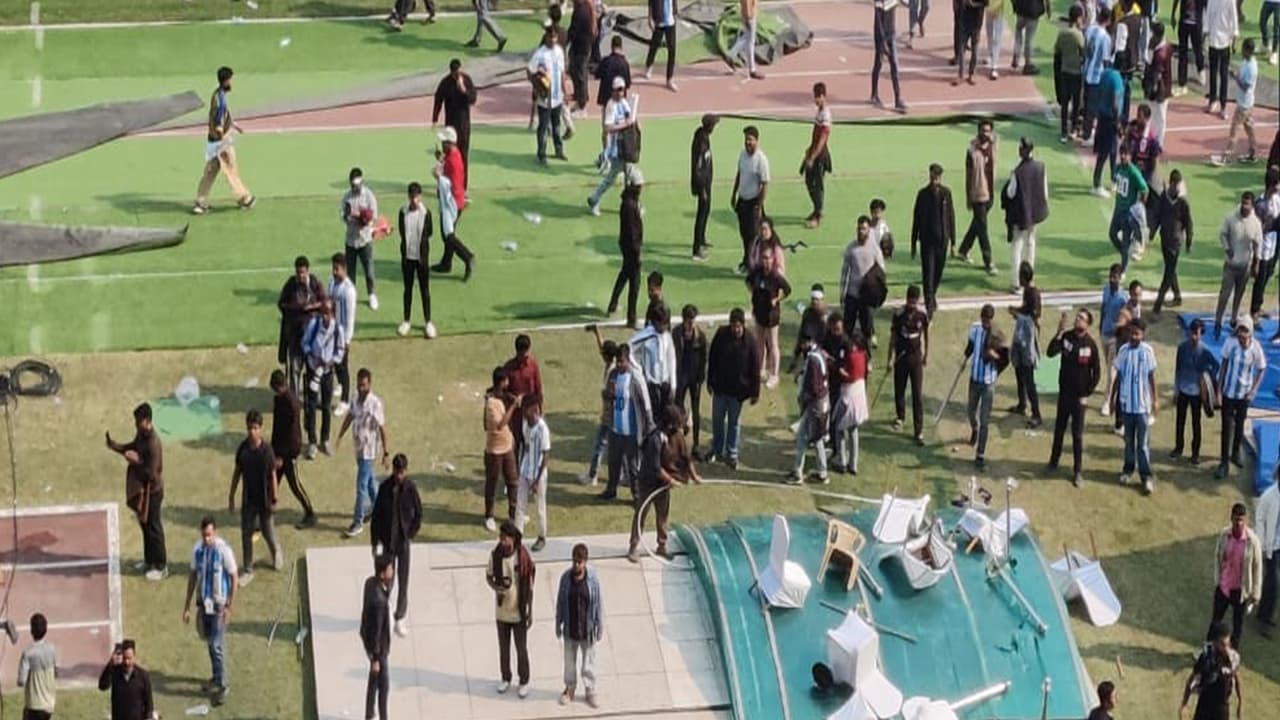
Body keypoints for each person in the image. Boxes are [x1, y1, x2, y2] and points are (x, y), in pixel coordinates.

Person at [629, 404, 699, 560]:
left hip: (662, 485)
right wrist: (671, 480)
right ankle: (633, 546)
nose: (680, 427)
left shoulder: (678, 436)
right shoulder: (655, 439)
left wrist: (694, 476)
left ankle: (662, 545)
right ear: (670, 423)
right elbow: (655, 468)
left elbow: (686, 458)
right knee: (641, 512)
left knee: (662, 515)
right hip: (648, 482)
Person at [106, 403, 167, 581]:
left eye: (138, 421)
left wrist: (135, 461)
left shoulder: (153, 443)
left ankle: (162, 565)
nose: (136, 424)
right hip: (144, 489)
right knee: (145, 526)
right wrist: (115, 446)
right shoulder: (142, 435)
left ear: (147, 421)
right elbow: (131, 446)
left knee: (154, 527)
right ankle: (149, 562)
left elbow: (151, 472)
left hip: (153, 491)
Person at [182, 516, 238, 707]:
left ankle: (223, 685)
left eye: (210, 535)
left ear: (215, 532)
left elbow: (234, 577)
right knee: (209, 642)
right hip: (203, 604)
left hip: (219, 606)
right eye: (204, 535)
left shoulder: (223, 551)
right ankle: (216, 677)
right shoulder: (197, 550)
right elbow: (192, 576)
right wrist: (187, 606)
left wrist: (230, 606)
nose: (207, 539)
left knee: (216, 645)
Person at [1046, 308, 1101, 484]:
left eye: (1082, 318)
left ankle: (1077, 471)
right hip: (1064, 394)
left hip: (1079, 399)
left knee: (1077, 435)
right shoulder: (1067, 337)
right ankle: (1053, 462)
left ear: (1088, 324)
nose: (1077, 320)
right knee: (1059, 429)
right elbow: (1050, 352)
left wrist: (1086, 393)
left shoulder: (1090, 345)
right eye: (1077, 317)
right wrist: (1058, 333)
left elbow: (1097, 372)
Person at [370, 453, 422, 638]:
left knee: (403, 581)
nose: (399, 475)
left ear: (406, 471)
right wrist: (375, 543)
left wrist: (410, 534)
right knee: (385, 581)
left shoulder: (411, 489)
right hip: (387, 543)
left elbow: (419, 515)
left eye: (402, 472)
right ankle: (384, 615)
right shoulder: (384, 488)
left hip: (403, 543)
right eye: (397, 472)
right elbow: (375, 518)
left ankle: (399, 617)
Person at [193, 66, 254, 215]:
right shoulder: (220, 100)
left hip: (213, 142)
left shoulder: (217, 95)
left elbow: (224, 115)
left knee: (210, 172)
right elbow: (219, 122)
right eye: (231, 79)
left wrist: (234, 125)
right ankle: (244, 198)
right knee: (231, 170)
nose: (232, 82)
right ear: (226, 81)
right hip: (221, 142)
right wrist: (223, 140)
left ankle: (200, 203)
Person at [229, 409, 281, 585]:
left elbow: (273, 475)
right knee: (246, 534)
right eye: (250, 428)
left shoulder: (267, 451)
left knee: (267, 531)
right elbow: (237, 473)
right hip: (248, 499)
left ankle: (276, 552)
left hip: (265, 499)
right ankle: (248, 568)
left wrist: (275, 498)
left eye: (256, 428)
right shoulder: (243, 449)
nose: (252, 431)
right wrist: (231, 495)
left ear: (261, 429)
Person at [337, 368, 391, 538]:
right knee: (368, 482)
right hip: (359, 448)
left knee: (361, 486)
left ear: (369, 384)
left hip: (369, 450)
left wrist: (386, 452)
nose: (361, 388)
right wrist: (340, 434)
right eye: (359, 384)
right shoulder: (355, 398)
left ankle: (358, 522)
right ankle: (380, 509)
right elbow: (350, 416)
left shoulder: (375, 404)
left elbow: (382, 429)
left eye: (364, 385)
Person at [707, 309, 762, 469]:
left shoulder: (750, 340)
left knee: (734, 423)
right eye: (733, 326)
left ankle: (731, 453)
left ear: (743, 325)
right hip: (720, 388)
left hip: (738, 392)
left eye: (738, 326)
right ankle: (717, 450)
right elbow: (713, 358)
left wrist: (755, 392)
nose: (736, 329)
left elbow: (755, 368)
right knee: (717, 421)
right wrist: (710, 381)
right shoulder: (721, 335)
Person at [487, 520, 535, 699]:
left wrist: (530, 610)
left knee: (521, 648)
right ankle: (505, 677)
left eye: (505, 538)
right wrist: (495, 587)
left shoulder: (522, 557)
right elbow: (489, 575)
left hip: (519, 610)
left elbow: (529, 586)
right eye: (501, 537)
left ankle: (524, 680)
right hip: (502, 610)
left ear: (513, 538)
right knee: (503, 647)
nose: (502, 541)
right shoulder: (495, 555)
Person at [1214, 317, 1266, 479]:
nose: (1242, 335)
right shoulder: (1231, 343)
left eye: (1245, 332)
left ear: (1250, 333)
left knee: (1239, 426)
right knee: (1226, 428)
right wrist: (1218, 390)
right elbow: (1223, 365)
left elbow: (1262, 368)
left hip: (1243, 395)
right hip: (1229, 393)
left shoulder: (1255, 348)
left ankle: (1235, 453)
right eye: (1240, 331)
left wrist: (1253, 391)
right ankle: (1223, 463)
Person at [1111, 317, 1158, 494]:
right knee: (1128, 442)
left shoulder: (1148, 351)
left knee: (1143, 444)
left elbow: (1152, 377)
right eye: (1131, 332)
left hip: (1143, 407)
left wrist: (1155, 400)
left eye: (1136, 333)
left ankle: (1146, 477)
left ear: (1142, 334)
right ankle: (1128, 470)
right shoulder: (1123, 350)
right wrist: (1112, 398)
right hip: (1127, 406)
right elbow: (1119, 376)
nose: (1133, 336)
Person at [1208, 503, 1264, 649]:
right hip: (1224, 586)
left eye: (1241, 520)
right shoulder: (1224, 535)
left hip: (1240, 590)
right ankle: (1208, 650)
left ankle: (1232, 657)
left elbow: (1257, 567)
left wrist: (1256, 593)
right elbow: (1217, 556)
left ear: (1245, 521)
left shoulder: (1252, 541)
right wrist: (1218, 580)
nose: (1238, 523)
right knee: (1216, 621)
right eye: (1236, 519)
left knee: (1237, 626)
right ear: (1231, 519)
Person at [601, 344, 653, 500]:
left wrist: (648, 426)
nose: (618, 364)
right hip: (615, 429)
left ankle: (636, 495)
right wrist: (608, 393)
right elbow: (606, 397)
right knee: (613, 462)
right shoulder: (613, 375)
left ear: (628, 359)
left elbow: (645, 402)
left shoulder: (635, 377)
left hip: (631, 430)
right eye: (617, 361)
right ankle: (611, 490)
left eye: (621, 361)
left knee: (632, 466)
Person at [557, 543, 603, 708]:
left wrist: (599, 626)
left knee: (588, 662)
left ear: (585, 562)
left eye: (580, 562)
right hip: (570, 629)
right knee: (569, 663)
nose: (577, 565)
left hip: (587, 630)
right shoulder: (565, 578)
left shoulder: (592, 580)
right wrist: (558, 623)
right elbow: (560, 602)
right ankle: (569, 688)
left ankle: (590, 689)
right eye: (575, 561)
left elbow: (598, 603)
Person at [1214, 192, 1263, 340]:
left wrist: (1256, 263)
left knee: (1239, 295)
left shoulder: (1255, 223)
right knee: (1224, 295)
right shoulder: (1231, 217)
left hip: (1244, 265)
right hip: (1230, 265)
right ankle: (1218, 321)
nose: (1244, 207)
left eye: (1248, 204)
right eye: (1243, 203)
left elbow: (1258, 244)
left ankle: (1234, 319)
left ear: (1252, 206)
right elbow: (1222, 234)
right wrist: (1227, 247)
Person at [270, 370, 316, 529]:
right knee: (271, 482)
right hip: (279, 452)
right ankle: (266, 516)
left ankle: (310, 513)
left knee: (295, 485)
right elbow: (277, 429)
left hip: (288, 453)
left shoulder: (291, 404)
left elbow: (293, 434)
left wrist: (283, 456)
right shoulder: (280, 400)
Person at [301, 298, 346, 458]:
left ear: (333, 313)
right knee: (311, 407)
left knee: (326, 407)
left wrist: (331, 361)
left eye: (328, 313)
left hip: (327, 373)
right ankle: (312, 442)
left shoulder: (337, 330)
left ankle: (324, 440)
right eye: (323, 313)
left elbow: (340, 351)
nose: (325, 317)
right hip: (313, 370)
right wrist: (312, 355)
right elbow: (304, 343)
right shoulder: (313, 325)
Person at [1003, 138, 1049, 292]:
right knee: (1031, 243)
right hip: (1035, 214)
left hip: (1021, 215)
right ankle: (1030, 279)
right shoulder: (1041, 167)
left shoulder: (1018, 171)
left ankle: (1016, 282)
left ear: (1024, 150)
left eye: (1020, 148)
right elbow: (1045, 193)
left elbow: (1010, 193)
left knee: (1017, 246)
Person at [430, 127, 474, 282]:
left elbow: (452, 184)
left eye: (444, 142)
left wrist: (438, 177)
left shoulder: (453, 160)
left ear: (449, 143)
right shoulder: (453, 155)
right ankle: (446, 262)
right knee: (448, 233)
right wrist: (440, 160)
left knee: (448, 235)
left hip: (451, 202)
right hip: (455, 200)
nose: (442, 145)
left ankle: (467, 257)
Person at [911, 163, 956, 315]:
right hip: (927, 241)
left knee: (938, 272)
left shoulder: (946, 194)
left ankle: (932, 295)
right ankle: (929, 304)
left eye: (936, 177)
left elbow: (951, 216)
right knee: (928, 273)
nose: (934, 180)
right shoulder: (922, 194)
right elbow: (916, 218)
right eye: (932, 177)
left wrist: (953, 241)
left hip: (942, 240)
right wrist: (913, 242)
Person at [964, 304, 1005, 471]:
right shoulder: (975, 328)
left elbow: (1004, 358)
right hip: (974, 379)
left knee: (985, 420)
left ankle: (980, 455)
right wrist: (964, 359)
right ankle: (974, 428)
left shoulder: (997, 335)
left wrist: (995, 355)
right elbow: (971, 346)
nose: (984, 323)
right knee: (970, 411)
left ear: (991, 319)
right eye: (983, 319)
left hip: (988, 382)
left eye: (987, 320)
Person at [276, 255, 324, 394]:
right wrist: (297, 308)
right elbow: (281, 304)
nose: (300, 275)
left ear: (307, 271)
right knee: (295, 371)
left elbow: (324, 302)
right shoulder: (291, 284)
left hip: (312, 338)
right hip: (295, 337)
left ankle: (313, 398)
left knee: (313, 370)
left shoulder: (314, 283)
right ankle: (295, 399)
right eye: (298, 273)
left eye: (303, 272)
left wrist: (310, 307)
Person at [588, 77, 636, 216]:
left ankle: (630, 203)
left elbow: (629, 116)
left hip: (625, 146)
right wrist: (625, 125)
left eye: (623, 90)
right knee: (623, 177)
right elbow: (608, 127)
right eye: (619, 90)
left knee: (625, 176)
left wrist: (631, 122)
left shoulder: (623, 103)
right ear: (614, 91)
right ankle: (631, 205)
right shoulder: (611, 106)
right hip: (616, 148)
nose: (621, 93)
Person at [890, 285, 930, 446]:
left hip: (916, 359)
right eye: (910, 301)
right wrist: (890, 358)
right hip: (901, 358)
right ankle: (900, 416)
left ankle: (918, 431)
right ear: (906, 300)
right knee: (899, 388)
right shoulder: (899, 314)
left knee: (917, 395)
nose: (912, 305)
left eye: (915, 302)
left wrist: (927, 353)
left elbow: (926, 335)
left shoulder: (922, 315)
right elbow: (893, 337)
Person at [606, 167, 645, 328]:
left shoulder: (630, 202)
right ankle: (631, 317)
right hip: (631, 247)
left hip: (627, 245)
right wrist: (637, 251)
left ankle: (613, 303)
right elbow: (632, 231)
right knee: (634, 283)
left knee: (625, 274)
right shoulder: (630, 205)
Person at [958, 119, 998, 275]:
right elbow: (968, 175)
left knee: (977, 223)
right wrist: (968, 196)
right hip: (978, 194)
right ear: (978, 131)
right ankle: (988, 262)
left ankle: (963, 249)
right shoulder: (971, 150)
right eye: (983, 130)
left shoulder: (994, 144)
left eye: (988, 131)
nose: (985, 134)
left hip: (990, 193)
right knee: (983, 229)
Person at [746, 251, 791, 389]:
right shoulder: (757, 272)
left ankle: (774, 374)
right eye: (764, 258)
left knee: (772, 344)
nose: (766, 261)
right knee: (759, 342)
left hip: (771, 315)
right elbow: (748, 282)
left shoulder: (776, 276)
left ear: (773, 260)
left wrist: (777, 299)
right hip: (759, 311)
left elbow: (788, 290)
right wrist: (754, 293)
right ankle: (761, 369)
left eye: (768, 258)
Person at [1152, 169, 1195, 314]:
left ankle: (1157, 306)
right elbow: (1158, 216)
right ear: (1170, 183)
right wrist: (1152, 232)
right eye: (1174, 184)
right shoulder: (1164, 197)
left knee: (1168, 274)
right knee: (1171, 270)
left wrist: (1189, 240)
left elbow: (1188, 223)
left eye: (1178, 185)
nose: (1176, 188)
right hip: (1164, 239)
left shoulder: (1183, 203)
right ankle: (1177, 297)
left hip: (1175, 243)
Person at [788, 333, 830, 483]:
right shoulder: (820, 353)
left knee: (802, 437)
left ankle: (798, 472)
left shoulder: (812, 358)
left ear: (807, 342)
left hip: (814, 404)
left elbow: (813, 386)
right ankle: (822, 472)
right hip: (823, 401)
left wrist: (805, 400)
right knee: (817, 438)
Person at [396, 182, 435, 340]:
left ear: (420, 196)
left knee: (425, 290)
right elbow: (401, 232)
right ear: (408, 196)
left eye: (417, 197)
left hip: (422, 259)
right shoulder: (402, 212)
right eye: (412, 197)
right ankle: (406, 320)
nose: (414, 200)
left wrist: (422, 250)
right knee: (408, 290)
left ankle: (428, 322)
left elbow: (429, 232)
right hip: (407, 258)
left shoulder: (426, 213)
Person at [840, 215, 886, 348]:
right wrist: (842, 293)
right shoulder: (851, 248)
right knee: (847, 327)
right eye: (859, 228)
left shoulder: (875, 250)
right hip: (852, 294)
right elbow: (844, 273)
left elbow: (881, 272)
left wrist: (878, 292)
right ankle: (845, 354)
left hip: (867, 295)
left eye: (864, 229)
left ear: (869, 230)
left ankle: (867, 358)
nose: (861, 231)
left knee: (866, 329)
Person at [1182, 621, 1243, 720]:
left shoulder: (1233, 658)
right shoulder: (1206, 656)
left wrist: (1241, 702)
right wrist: (1184, 704)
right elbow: (1192, 677)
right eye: (1222, 644)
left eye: (1228, 644)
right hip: (1205, 702)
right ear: (1215, 643)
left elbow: (1237, 679)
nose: (1226, 648)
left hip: (1221, 705)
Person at [484, 367, 521, 530]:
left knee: (513, 481)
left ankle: (514, 514)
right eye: (506, 380)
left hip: (507, 447)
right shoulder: (491, 403)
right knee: (492, 483)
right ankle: (489, 516)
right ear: (501, 382)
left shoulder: (500, 396)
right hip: (495, 451)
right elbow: (500, 424)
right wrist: (513, 405)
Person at [731, 126, 770, 274]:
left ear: (757, 140)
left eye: (750, 140)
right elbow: (739, 174)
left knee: (753, 236)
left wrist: (759, 206)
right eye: (746, 139)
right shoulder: (742, 155)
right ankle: (746, 262)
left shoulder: (761, 160)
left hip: (754, 202)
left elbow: (765, 184)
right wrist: (734, 193)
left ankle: (752, 265)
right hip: (742, 200)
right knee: (744, 234)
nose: (748, 143)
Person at [360, 555, 395, 720]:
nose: (393, 571)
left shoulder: (370, 583)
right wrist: (375, 658)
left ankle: (369, 713)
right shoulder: (380, 602)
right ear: (382, 574)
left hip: (368, 639)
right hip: (378, 648)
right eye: (390, 569)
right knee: (383, 684)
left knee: (374, 679)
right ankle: (383, 716)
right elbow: (377, 632)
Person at [432, 60, 477, 184]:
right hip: (450, 126)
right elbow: (438, 99)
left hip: (464, 125)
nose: (456, 75)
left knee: (463, 156)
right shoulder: (445, 83)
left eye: (458, 72)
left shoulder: (466, 80)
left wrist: (463, 90)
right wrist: (435, 119)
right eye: (454, 73)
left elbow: (473, 99)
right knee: (447, 157)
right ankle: (446, 184)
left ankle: (463, 186)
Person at [1008, 263, 1042, 427]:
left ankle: (1036, 413)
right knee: (1019, 370)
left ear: (1023, 277)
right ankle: (1022, 404)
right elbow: (1026, 309)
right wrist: (1017, 310)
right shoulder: (1028, 291)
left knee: (1028, 377)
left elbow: (1034, 318)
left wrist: (1017, 315)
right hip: (1022, 338)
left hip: (1027, 340)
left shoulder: (1033, 293)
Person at [529, 27, 569, 166]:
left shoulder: (559, 51)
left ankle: (559, 150)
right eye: (549, 37)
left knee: (557, 125)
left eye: (554, 37)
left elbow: (562, 72)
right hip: (545, 97)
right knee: (544, 126)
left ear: (557, 38)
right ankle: (541, 153)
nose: (552, 40)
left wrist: (565, 91)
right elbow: (529, 70)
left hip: (557, 96)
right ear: (546, 37)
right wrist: (537, 86)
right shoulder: (540, 54)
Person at [340, 168, 379, 310]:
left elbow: (374, 216)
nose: (354, 187)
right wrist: (347, 216)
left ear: (361, 182)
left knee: (368, 269)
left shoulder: (368, 196)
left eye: (356, 184)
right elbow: (342, 215)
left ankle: (372, 295)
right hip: (350, 240)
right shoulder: (346, 197)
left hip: (365, 239)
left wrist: (366, 220)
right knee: (350, 271)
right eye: (352, 185)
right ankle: (351, 296)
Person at [1214, 38, 1258, 164]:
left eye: (1243, 49)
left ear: (1247, 50)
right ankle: (1253, 153)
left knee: (1234, 130)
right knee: (1249, 128)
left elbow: (1246, 87)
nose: (1242, 51)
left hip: (1244, 105)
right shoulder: (1247, 61)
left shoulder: (1252, 68)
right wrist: (1236, 73)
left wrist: (1235, 77)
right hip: (1247, 103)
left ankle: (1226, 157)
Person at [516, 395, 551, 553]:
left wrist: (537, 480)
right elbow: (525, 446)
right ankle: (517, 537)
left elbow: (546, 455)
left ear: (534, 409)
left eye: (526, 409)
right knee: (520, 506)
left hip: (538, 474)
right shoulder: (525, 424)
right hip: (525, 470)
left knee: (539, 507)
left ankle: (542, 537)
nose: (524, 412)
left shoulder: (542, 429)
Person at [1108, 143, 1149, 275]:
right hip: (1118, 208)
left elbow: (1144, 189)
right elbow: (1114, 180)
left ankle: (1123, 269)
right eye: (1122, 154)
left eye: (1126, 154)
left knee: (1125, 241)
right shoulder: (1118, 168)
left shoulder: (1133, 172)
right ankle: (1124, 254)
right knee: (1112, 234)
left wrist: (1140, 205)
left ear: (1130, 156)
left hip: (1128, 212)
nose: (1123, 156)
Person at [799, 84, 836, 230]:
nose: (816, 100)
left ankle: (819, 214)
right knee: (809, 181)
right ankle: (816, 209)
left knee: (818, 184)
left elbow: (822, 139)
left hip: (820, 155)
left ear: (823, 96)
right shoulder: (819, 112)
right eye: (815, 96)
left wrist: (812, 157)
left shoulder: (826, 114)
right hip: (814, 151)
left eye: (818, 97)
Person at [673, 304, 708, 454]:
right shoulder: (676, 333)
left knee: (695, 409)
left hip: (694, 377)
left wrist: (701, 377)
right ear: (684, 319)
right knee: (678, 407)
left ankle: (696, 444)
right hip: (680, 375)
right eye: (689, 320)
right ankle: (678, 441)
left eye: (693, 320)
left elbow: (704, 358)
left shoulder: (700, 336)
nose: (691, 323)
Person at [327, 253, 357, 417]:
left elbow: (350, 318)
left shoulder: (349, 291)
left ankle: (345, 400)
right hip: (331, 333)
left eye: (337, 269)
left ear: (344, 269)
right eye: (333, 268)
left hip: (342, 335)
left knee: (342, 366)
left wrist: (347, 340)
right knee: (334, 364)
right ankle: (339, 385)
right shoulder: (331, 283)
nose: (334, 271)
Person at [1091, 61, 1125, 197]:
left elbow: (1099, 92)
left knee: (1113, 152)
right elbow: (1116, 103)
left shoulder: (1105, 73)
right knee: (1104, 153)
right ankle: (1097, 184)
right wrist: (1118, 124)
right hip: (1110, 120)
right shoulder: (1117, 79)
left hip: (1102, 116)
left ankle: (1113, 179)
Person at [1099, 264, 1129, 416]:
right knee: (1107, 366)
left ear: (1120, 279)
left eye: (1115, 277)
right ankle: (1111, 390)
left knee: (1112, 371)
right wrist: (1100, 326)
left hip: (1114, 337)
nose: (1112, 280)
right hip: (1104, 334)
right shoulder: (1105, 290)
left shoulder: (1123, 298)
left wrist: (1120, 336)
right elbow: (1103, 309)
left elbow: (1125, 318)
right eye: (1111, 277)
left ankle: (1108, 401)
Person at [98, 641, 154, 720]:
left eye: (129, 658)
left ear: (134, 656)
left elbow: (149, 703)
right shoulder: (115, 672)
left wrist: (149, 717)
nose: (127, 662)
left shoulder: (143, 676)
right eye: (124, 658)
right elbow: (102, 686)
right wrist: (110, 664)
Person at [1054, 6, 1086, 142]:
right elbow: (1084, 52)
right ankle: (1073, 129)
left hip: (1064, 71)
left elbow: (1057, 51)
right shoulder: (1078, 35)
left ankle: (1063, 132)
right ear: (1078, 18)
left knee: (1065, 103)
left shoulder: (1062, 34)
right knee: (1076, 101)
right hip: (1076, 72)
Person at [1251, 168, 1280, 318]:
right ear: (1271, 186)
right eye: (1277, 184)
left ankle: (1259, 305)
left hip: (1273, 245)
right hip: (1262, 248)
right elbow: (1258, 230)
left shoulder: (1276, 200)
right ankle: (1254, 309)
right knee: (1260, 279)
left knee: (1268, 274)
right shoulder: (1260, 205)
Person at [1203, 0, 1238, 119]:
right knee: (1213, 72)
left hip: (1225, 42)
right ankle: (1212, 100)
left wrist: (1234, 38)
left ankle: (1223, 106)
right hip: (1213, 40)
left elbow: (1234, 18)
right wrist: (1205, 33)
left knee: (1223, 75)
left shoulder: (1230, 1)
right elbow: (1207, 16)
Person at [17, 613, 57, 720]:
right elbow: (55, 672)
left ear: (31, 631)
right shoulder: (52, 649)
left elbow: (21, 681)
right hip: (49, 704)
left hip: (33, 705)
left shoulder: (28, 653)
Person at [1081, 12, 1113, 143]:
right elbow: (1106, 60)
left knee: (1086, 102)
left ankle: (1084, 129)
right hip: (1097, 76)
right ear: (1108, 20)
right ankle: (1087, 136)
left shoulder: (1090, 29)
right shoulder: (1105, 37)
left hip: (1086, 71)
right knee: (1092, 107)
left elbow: (1085, 49)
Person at [690, 113, 718, 260]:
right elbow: (698, 166)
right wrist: (702, 189)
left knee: (705, 212)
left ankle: (701, 239)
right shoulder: (702, 142)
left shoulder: (703, 137)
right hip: (703, 185)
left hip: (706, 183)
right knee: (701, 215)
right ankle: (696, 249)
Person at [870, 0, 906, 112]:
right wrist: (883, 42)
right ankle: (874, 93)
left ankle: (898, 98)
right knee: (878, 63)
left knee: (894, 64)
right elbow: (879, 24)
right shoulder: (878, 3)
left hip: (891, 35)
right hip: (880, 36)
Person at [1256, 478, 1280, 636]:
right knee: (1274, 582)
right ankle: (1265, 620)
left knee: (1272, 582)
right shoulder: (1269, 496)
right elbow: (1259, 520)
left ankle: (1263, 611)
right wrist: (1262, 546)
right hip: (1271, 546)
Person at [567, 0, 598, 117]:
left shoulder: (580, 11)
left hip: (581, 47)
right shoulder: (584, 8)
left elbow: (573, 30)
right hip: (582, 45)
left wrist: (565, 42)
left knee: (580, 74)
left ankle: (582, 105)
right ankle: (579, 97)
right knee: (574, 71)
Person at [1146, 22, 1174, 145]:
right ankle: (1155, 140)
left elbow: (1156, 73)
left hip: (1159, 88)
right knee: (1158, 117)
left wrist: (1153, 90)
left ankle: (1158, 143)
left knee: (1158, 116)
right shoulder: (1167, 45)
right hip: (1164, 87)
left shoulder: (1160, 54)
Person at [792, 285, 829, 374]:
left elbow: (827, 340)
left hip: (821, 351)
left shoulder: (826, 317)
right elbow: (802, 333)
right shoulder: (807, 313)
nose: (814, 302)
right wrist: (796, 355)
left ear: (822, 300)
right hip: (807, 349)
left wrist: (814, 345)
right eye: (813, 299)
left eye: (817, 300)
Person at [1171, 0, 1206, 96]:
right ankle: (1182, 82)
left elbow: (1206, 7)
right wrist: (1173, 15)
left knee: (1198, 49)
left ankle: (1201, 69)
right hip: (1184, 23)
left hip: (1196, 24)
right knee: (1182, 52)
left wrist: (1205, 27)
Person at [644, 0, 680, 89]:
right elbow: (651, 2)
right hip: (659, 21)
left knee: (672, 50)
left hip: (670, 22)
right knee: (654, 45)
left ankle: (669, 79)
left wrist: (675, 13)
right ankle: (649, 65)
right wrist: (650, 18)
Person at [727, 0, 765, 80]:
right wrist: (748, 18)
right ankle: (752, 70)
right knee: (750, 41)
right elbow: (747, 4)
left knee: (747, 38)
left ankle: (731, 54)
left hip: (749, 15)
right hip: (749, 16)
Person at [1011, 0, 1050, 74]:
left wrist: (1015, 6)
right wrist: (1048, 8)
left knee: (1018, 32)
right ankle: (1028, 64)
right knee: (1029, 39)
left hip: (1021, 8)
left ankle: (1016, 54)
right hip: (1033, 11)